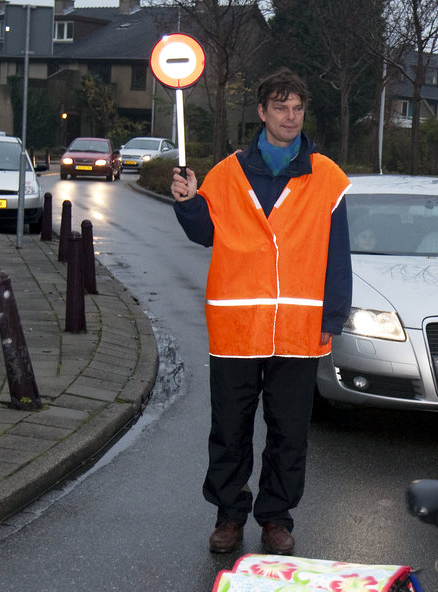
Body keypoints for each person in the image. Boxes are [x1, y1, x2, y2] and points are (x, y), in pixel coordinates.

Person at [170, 68, 352, 557]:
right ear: (262, 112)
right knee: (229, 430)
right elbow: (204, 233)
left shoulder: (327, 177)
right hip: (236, 328)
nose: (290, 117)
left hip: (298, 329)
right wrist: (188, 203)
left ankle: (276, 517)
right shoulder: (227, 174)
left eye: (297, 109)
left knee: (289, 433)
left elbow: (338, 254)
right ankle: (229, 515)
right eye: (281, 108)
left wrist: (332, 317)